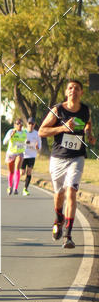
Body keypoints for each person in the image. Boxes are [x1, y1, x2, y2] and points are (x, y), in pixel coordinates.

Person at [39, 79, 95, 249]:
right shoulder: (58, 110)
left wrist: (89, 134)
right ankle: (59, 218)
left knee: (71, 192)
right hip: (58, 158)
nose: (73, 90)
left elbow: (87, 123)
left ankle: (68, 235)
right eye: (70, 88)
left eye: (76, 88)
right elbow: (42, 131)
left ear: (81, 92)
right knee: (59, 195)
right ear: (66, 92)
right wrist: (62, 128)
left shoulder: (85, 110)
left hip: (76, 157)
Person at [3, 117, 27, 195]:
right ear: (14, 125)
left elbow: (28, 141)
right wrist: (11, 136)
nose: (19, 125)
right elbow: (4, 142)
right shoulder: (11, 131)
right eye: (17, 123)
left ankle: (15, 188)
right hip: (11, 153)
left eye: (21, 123)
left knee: (17, 168)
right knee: (11, 171)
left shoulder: (24, 132)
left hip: (20, 153)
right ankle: (10, 186)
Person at [22, 117, 42, 196]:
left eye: (32, 124)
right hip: (23, 154)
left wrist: (37, 147)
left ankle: (25, 189)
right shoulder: (23, 132)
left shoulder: (37, 134)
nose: (31, 125)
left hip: (32, 155)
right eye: (29, 123)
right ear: (27, 124)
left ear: (34, 125)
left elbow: (40, 146)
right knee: (22, 172)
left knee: (29, 172)